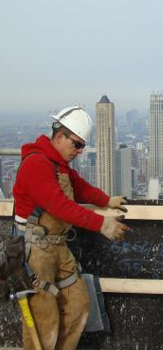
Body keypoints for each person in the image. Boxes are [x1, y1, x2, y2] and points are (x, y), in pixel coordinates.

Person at [13, 106, 128, 350]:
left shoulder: (59, 165)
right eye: (76, 144)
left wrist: (106, 201)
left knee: (77, 304)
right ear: (60, 135)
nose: (79, 151)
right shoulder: (37, 164)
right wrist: (102, 224)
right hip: (35, 249)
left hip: (57, 246)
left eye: (82, 146)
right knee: (43, 317)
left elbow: (81, 188)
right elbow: (59, 206)